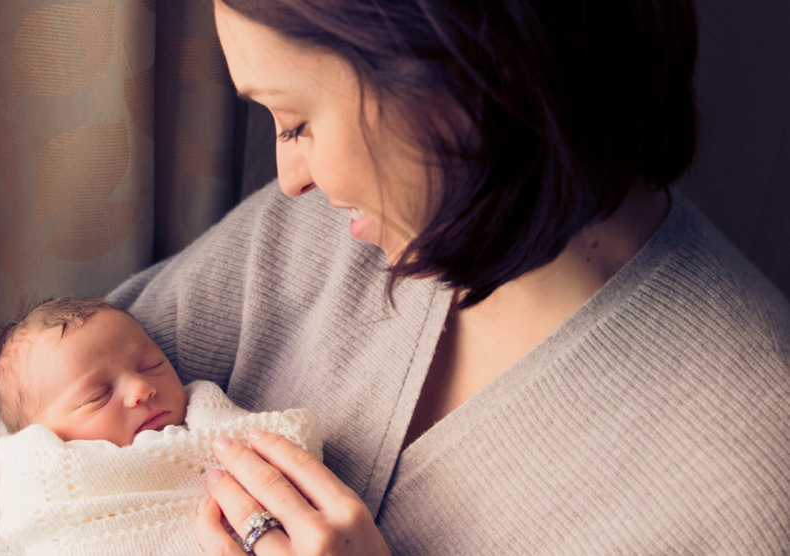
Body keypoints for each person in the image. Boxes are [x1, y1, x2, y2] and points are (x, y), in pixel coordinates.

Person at [109, 0, 790, 554]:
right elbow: (18, 428)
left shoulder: (752, 479)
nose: (290, 181)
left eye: (297, 122)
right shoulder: (348, 221)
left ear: (468, 79)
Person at [0, 297, 322, 556]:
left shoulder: (204, 414)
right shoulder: (50, 471)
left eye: (150, 365)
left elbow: (278, 444)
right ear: (44, 437)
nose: (141, 388)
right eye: (97, 395)